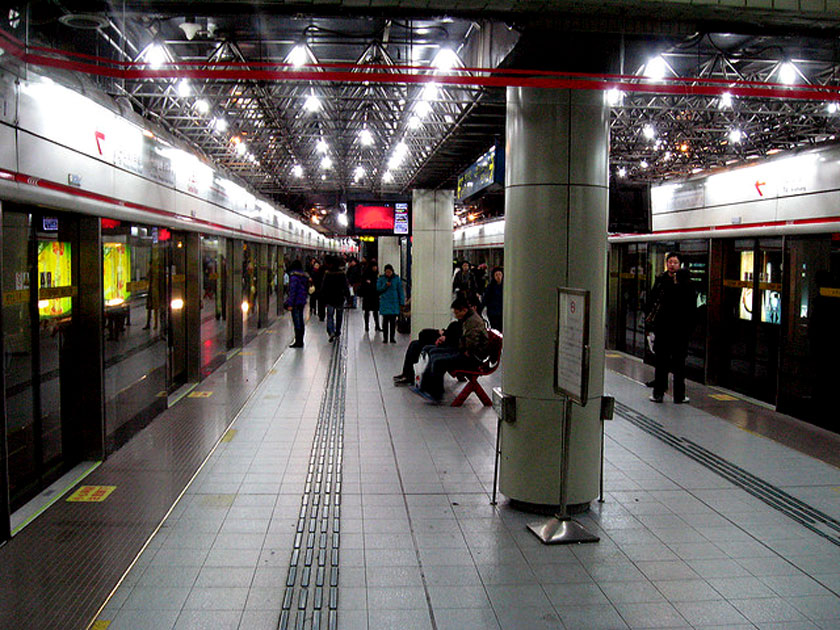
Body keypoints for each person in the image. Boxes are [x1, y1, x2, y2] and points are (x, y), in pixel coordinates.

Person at [411, 296, 489, 403]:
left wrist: (462, 349)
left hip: (473, 357)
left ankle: (436, 394)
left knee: (439, 360)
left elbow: (471, 344)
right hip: (466, 351)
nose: (456, 316)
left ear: (464, 310)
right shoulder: (468, 318)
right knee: (433, 353)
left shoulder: (472, 321)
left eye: (457, 313)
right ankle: (426, 387)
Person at [646, 252, 696, 404]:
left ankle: (677, 395)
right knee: (663, 362)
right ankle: (660, 393)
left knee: (678, 363)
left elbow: (690, 307)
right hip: (664, 328)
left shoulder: (685, 283)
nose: (672, 265)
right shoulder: (662, 281)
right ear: (667, 263)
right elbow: (651, 301)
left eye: (675, 262)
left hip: (678, 330)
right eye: (670, 262)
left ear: (679, 264)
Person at [392, 319, 462, 385]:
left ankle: (409, 375)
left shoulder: (468, 323)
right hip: (447, 340)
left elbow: (460, 339)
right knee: (415, 343)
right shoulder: (463, 321)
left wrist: (445, 338)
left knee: (417, 345)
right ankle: (407, 373)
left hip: (449, 345)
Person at [320, 256, 351, 342]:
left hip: (330, 298)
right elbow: (346, 287)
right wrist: (348, 297)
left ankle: (331, 331)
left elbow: (323, 287)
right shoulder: (342, 274)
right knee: (339, 315)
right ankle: (337, 331)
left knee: (330, 315)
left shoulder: (327, 274)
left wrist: (322, 298)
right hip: (339, 298)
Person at [284, 260, 309, 348]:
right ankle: (300, 340)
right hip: (301, 301)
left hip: (295, 302)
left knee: (296, 321)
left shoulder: (294, 277)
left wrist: (290, 303)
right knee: (301, 320)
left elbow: (293, 292)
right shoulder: (304, 276)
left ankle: (298, 341)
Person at [377, 264, 405, 343]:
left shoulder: (396, 279)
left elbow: (400, 291)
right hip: (385, 302)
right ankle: (385, 338)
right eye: (387, 272)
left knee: (393, 322)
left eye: (389, 272)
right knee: (385, 322)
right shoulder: (381, 279)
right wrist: (385, 286)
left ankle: (392, 338)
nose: (388, 273)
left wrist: (402, 302)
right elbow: (378, 289)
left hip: (394, 303)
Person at [360, 260, 381, 333]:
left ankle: (377, 325)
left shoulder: (376, 274)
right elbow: (364, 284)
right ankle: (366, 326)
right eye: (374, 266)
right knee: (367, 311)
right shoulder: (366, 274)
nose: (375, 268)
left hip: (375, 295)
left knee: (375, 311)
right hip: (368, 295)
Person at [481, 267, 504, 332]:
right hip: (493, 312)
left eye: (500, 274)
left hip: (502, 312)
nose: (498, 277)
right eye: (496, 275)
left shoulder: (505, 286)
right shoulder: (490, 287)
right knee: (495, 329)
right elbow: (485, 298)